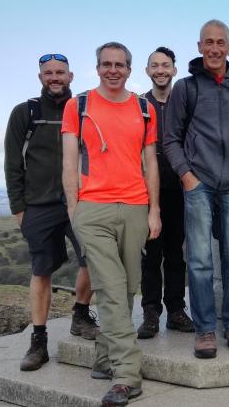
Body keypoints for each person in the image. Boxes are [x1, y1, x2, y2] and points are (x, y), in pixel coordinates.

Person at [62, 42, 161, 406]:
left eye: (120, 65)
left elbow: (150, 162)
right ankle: (126, 374)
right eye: (106, 64)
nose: (113, 70)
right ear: (97, 67)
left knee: (129, 285)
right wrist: (75, 210)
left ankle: (104, 356)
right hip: (93, 209)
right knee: (109, 285)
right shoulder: (79, 105)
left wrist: (154, 210)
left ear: (130, 69)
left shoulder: (144, 108)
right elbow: (69, 161)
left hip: (136, 206)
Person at [164, 20, 229, 358]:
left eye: (221, 43)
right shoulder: (186, 88)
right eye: (209, 42)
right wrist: (186, 175)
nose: (215, 48)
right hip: (199, 184)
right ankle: (205, 330)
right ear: (199, 46)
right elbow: (171, 139)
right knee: (200, 261)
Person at [4, 52, 98, 373]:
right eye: (49, 73)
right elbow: (12, 164)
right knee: (41, 270)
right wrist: (19, 209)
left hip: (81, 201)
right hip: (39, 205)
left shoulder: (85, 110)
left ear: (71, 77)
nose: (54, 77)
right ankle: (39, 341)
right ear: (40, 77)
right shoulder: (24, 113)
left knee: (95, 258)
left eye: (60, 72)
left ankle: (81, 314)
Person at [136, 47, 194, 339]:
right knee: (150, 256)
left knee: (175, 254)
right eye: (155, 66)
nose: (160, 70)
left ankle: (175, 310)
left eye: (166, 65)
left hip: (180, 189)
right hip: (145, 193)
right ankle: (150, 312)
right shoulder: (137, 105)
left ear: (174, 70)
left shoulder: (183, 101)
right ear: (147, 71)